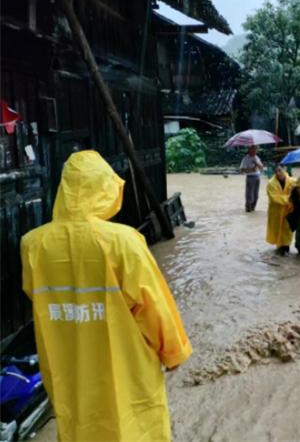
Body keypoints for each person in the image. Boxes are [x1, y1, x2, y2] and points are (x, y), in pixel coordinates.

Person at [20, 150, 192, 441]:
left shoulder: (33, 245)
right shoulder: (123, 241)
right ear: (104, 189)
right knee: (132, 427)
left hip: (68, 366)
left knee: (77, 427)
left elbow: (35, 296)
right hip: (127, 371)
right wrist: (173, 352)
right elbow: (153, 305)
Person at [266, 165, 295, 255]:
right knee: (277, 229)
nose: (278, 173)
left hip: (288, 210)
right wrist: (289, 198)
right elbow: (275, 198)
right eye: (276, 171)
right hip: (276, 211)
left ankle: (286, 246)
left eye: (280, 170)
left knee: (287, 229)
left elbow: (299, 192)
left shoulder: (293, 182)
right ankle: (279, 247)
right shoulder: (271, 183)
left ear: (284, 169)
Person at [240, 145, 264, 212]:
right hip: (250, 177)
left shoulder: (257, 157)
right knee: (249, 195)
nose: (255, 151)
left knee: (256, 195)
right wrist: (251, 169)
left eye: (256, 150)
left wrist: (256, 163)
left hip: (257, 177)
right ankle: (248, 208)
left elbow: (261, 167)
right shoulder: (246, 158)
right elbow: (242, 170)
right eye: (253, 149)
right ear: (249, 150)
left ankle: (253, 208)